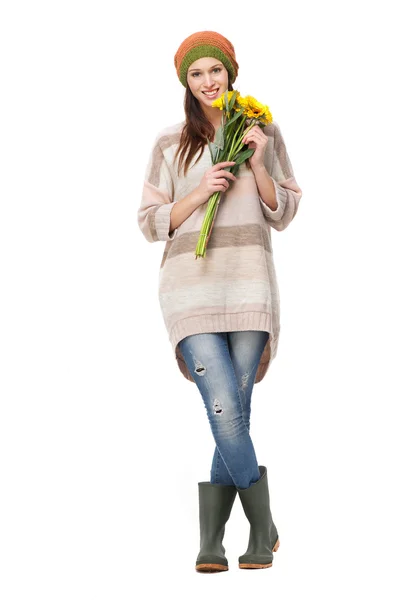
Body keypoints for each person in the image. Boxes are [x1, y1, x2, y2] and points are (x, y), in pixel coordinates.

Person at [137, 30, 303, 573]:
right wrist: (199, 191)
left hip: (250, 285)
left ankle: (211, 542)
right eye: (196, 73)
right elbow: (149, 222)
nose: (208, 81)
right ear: (185, 82)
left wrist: (256, 163)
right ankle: (265, 527)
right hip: (189, 292)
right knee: (224, 409)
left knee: (237, 412)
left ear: (231, 73)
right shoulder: (169, 143)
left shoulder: (263, 131)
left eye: (216, 70)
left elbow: (285, 210)